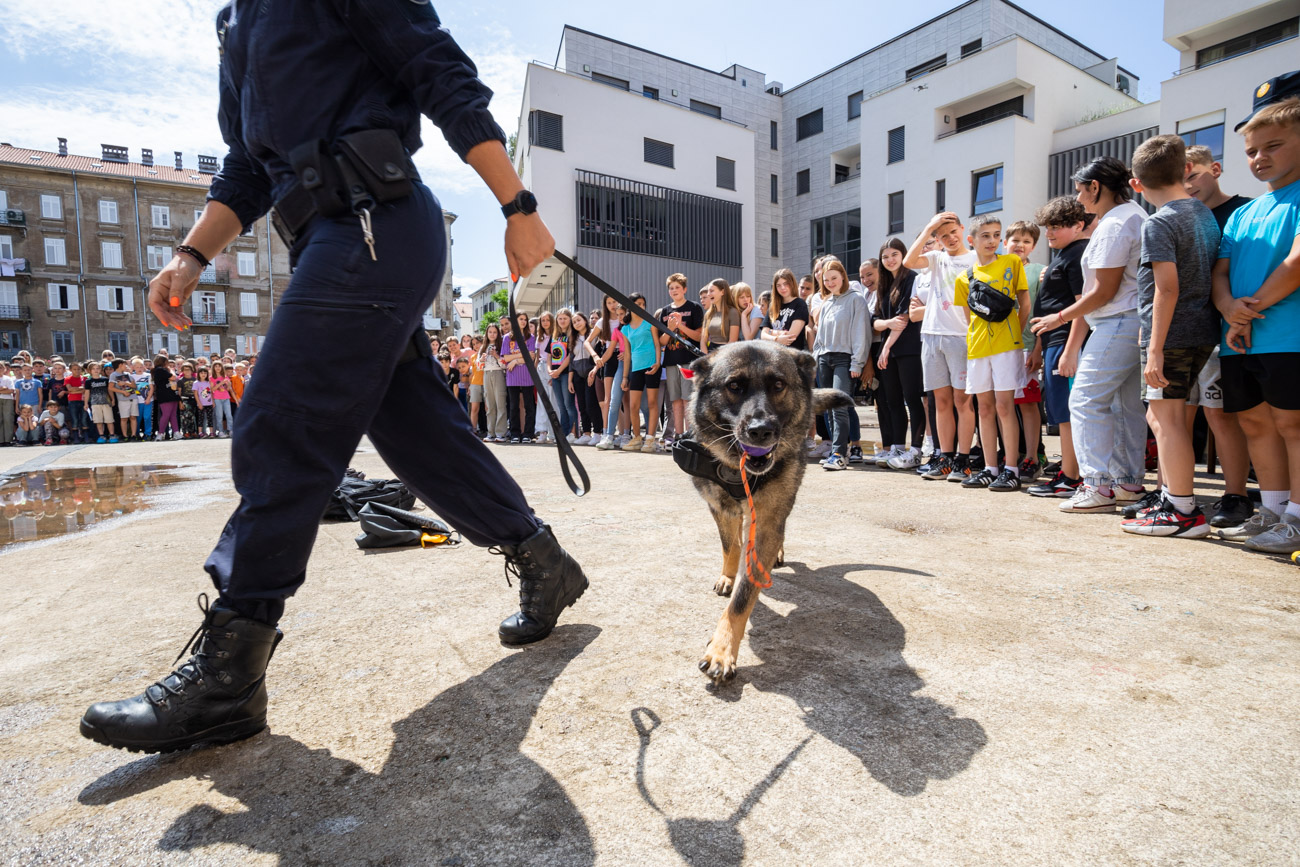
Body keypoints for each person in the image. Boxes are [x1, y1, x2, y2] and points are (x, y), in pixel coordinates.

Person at [81, 0, 589, 757]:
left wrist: (517, 205)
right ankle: (544, 561)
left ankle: (231, 673)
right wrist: (191, 256)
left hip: (376, 225)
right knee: (420, 435)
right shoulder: (236, 22)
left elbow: (439, 72)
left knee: (282, 418)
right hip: (332, 235)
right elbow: (248, 166)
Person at [1033, 156, 1149, 513]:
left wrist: (1059, 317)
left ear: (1096, 187)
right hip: (1132, 321)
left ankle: (1097, 485)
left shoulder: (1116, 223)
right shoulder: (1134, 216)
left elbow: (1103, 290)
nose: (1079, 199)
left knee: (1084, 401)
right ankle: (1127, 482)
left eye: (1081, 190)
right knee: (1124, 406)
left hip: (1117, 321)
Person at [1120, 135, 1220, 538]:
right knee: (1162, 416)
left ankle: (1182, 510)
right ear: (1186, 171)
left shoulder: (1159, 221)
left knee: (1167, 420)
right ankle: (1172, 497)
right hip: (1200, 329)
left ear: (1136, 184)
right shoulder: (1203, 212)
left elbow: (1167, 288)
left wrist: (1155, 349)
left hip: (1173, 334)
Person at [1212, 97, 1300, 553]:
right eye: (1251, 151)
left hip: (1288, 334)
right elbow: (1220, 272)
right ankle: (1274, 509)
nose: (1259, 158)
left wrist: (1249, 309)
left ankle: (1298, 520)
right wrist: (1229, 309)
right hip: (1239, 340)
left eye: (1273, 146)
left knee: (1292, 425)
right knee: (1255, 424)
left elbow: (1297, 260)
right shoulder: (1244, 212)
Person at [1180, 144, 1254, 528]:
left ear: (1217, 169)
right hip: (1184, 332)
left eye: (1193, 175)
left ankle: (1236, 496)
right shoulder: (1178, 216)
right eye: (1181, 179)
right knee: (1177, 415)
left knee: (1221, 416)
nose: (1188, 185)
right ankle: (1175, 497)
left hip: (1226, 332)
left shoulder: (1245, 211)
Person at [953, 215, 1031, 491]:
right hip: (977, 349)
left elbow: (1024, 300)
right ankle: (989, 467)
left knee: (1004, 406)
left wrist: (1015, 334)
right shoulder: (963, 278)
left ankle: (1011, 469)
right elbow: (968, 317)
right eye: (985, 235)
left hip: (1006, 347)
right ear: (972, 240)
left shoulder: (1011, 262)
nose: (992, 240)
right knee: (983, 408)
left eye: (996, 235)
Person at [904, 212, 978, 482]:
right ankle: (945, 457)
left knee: (963, 401)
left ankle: (964, 459)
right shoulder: (936, 258)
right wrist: (928, 227)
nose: (949, 238)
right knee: (941, 402)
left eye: (952, 232)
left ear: (962, 229)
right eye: (942, 235)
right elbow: (909, 261)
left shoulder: (975, 258)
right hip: (932, 335)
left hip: (962, 337)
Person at [1026, 198, 1092, 499]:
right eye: (1048, 226)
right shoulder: (1065, 254)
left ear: (1078, 225)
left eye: (1057, 226)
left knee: (1067, 413)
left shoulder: (1077, 254)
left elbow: (1083, 306)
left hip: (1066, 340)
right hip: (1053, 341)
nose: (1050, 233)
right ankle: (1068, 472)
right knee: (1059, 413)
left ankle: (1072, 477)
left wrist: (1069, 351)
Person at [871, 241, 925, 470]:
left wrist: (885, 347)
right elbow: (875, 321)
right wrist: (886, 324)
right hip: (890, 352)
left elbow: (903, 320)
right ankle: (896, 446)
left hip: (908, 349)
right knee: (892, 400)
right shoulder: (884, 284)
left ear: (903, 255)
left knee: (913, 399)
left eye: (895, 254)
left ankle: (916, 450)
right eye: (885, 256)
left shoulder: (911, 278)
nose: (890, 259)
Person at [813, 259, 870, 471]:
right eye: (826, 280)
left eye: (834, 278)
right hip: (824, 360)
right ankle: (839, 450)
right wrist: (816, 358)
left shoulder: (856, 299)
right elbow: (819, 336)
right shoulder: (827, 303)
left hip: (844, 358)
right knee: (828, 408)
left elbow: (861, 332)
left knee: (840, 406)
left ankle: (838, 453)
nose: (830, 282)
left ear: (843, 276)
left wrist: (858, 362)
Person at [1004, 221, 1046, 478]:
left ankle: (1032, 456)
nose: (1020, 245)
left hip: (1027, 346)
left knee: (1028, 404)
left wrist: (1038, 348)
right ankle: (1009, 455)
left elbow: (1043, 312)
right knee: (1003, 405)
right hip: (997, 348)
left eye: (1027, 241)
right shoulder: (995, 269)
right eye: (1015, 240)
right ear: (1004, 242)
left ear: (1033, 246)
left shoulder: (1040, 271)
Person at [657, 273, 704, 445]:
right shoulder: (664, 311)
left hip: (689, 360)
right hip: (670, 360)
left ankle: (691, 436)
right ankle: (678, 436)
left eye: (677, 287)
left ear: (684, 289)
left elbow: (698, 336)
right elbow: (662, 342)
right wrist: (670, 329)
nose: (674, 290)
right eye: (671, 288)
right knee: (675, 400)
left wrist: (680, 326)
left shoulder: (694, 308)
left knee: (687, 399)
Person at [620, 292, 661, 453]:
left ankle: (650, 439)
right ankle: (637, 438)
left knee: (652, 403)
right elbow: (628, 354)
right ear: (630, 306)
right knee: (633, 406)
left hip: (652, 366)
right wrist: (625, 377)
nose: (641, 307)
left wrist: (658, 363)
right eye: (638, 304)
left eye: (643, 304)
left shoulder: (650, 323)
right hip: (636, 369)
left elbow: (657, 345)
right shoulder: (626, 329)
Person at [592, 298, 628, 450]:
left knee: (634, 403)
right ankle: (609, 435)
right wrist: (597, 362)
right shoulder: (615, 330)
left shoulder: (634, 327)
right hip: (618, 362)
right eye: (618, 314)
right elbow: (609, 349)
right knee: (613, 400)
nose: (619, 316)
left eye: (622, 313)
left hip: (635, 363)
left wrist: (627, 353)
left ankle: (628, 435)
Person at [501, 311, 537, 444]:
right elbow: (505, 357)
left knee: (529, 406)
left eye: (525, 319)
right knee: (513, 406)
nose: (523, 322)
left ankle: (528, 433)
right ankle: (515, 433)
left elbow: (531, 357)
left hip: (527, 375)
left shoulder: (531, 337)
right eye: (520, 319)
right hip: (512, 377)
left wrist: (515, 361)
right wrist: (522, 356)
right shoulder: (507, 338)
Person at [569, 311, 602, 444]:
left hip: (591, 373)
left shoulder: (594, 334)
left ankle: (598, 432)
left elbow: (599, 352)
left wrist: (595, 371)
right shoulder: (573, 338)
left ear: (585, 320)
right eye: (574, 322)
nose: (577, 323)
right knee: (582, 406)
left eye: (579, 320)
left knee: (591, 404)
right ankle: (586, 433)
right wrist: (570, 380)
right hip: (578, 375)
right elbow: (571, 359)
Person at [546, 308, 576, 443]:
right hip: (555, 375)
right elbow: (549, 356)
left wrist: (559, 371)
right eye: (560, 318)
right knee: (560, 406)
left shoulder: (572, 335)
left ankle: (573, 432)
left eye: (565, 318)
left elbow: (571, 356)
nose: (562, 321)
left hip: (565, 373)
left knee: (568, 404)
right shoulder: (554, 336)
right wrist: (550, 371)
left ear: (569, 319)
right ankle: (564, 433)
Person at [701, 278, 741, 352]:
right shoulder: (708, 314)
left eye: (712, 291)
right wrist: (706, 357)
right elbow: (703, 341)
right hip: (710, 354)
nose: (708, 294)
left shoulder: (733, 312)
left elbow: (732, 341)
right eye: (708, 291)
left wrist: (719, 357)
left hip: (726, 354)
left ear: (722, 292)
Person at [85, 362, 116, 444]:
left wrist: (113, 399)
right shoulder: (88, 381)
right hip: (95, 403)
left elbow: (109, 390)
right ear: (90, 371)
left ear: (101, 370)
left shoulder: (105, 380)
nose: (96, 370)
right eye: (93, 369)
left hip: (106, 403)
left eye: (97, 368)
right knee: (98, 421)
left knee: (109, 420)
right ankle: (101, 435)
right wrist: (86, 403)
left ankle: (112, 434)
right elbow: (87, 392)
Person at [151, 353, 181, 441]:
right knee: (166, 415)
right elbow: (173, 377)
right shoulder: (160, 370)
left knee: (173, 415)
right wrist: (171, 370)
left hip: (172, 394)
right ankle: (160, 433)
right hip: (165, 395)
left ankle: (176, 432)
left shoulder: (160, 370)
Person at [110, 359, 140, 441]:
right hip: (123, 399)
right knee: (124, 418)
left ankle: (133, 435)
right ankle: (125, 435)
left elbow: (134, 386)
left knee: (133, 417)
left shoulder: (128, 374)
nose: (126, 366)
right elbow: (111, 387)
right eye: (125, 365)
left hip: (132, 397)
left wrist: (126, 383)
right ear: (120, 365)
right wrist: (122, 391)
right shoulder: (113, 375)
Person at [210, 361, 234, 437]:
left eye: (219, 366)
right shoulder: (211, 378)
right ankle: (220, 431)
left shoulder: (225, 376)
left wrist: (229, 385)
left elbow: (228, 388)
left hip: (226, 398)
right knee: (219, 416)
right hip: (217, 398)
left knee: (229, 415)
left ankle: (230, 430)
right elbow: (212, 389)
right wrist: (221, 383)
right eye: (216, 366)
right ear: (213, 368)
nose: (218, 368)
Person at [0, 361, 15, 445]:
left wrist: (4, 389)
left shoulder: (8, 379)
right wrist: (3, 389)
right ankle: (0, 440)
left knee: (8, 418)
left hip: (7, 399)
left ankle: (8, 440)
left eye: (1, 367)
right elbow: (7, 390)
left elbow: (11, 390)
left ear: (4, 369)